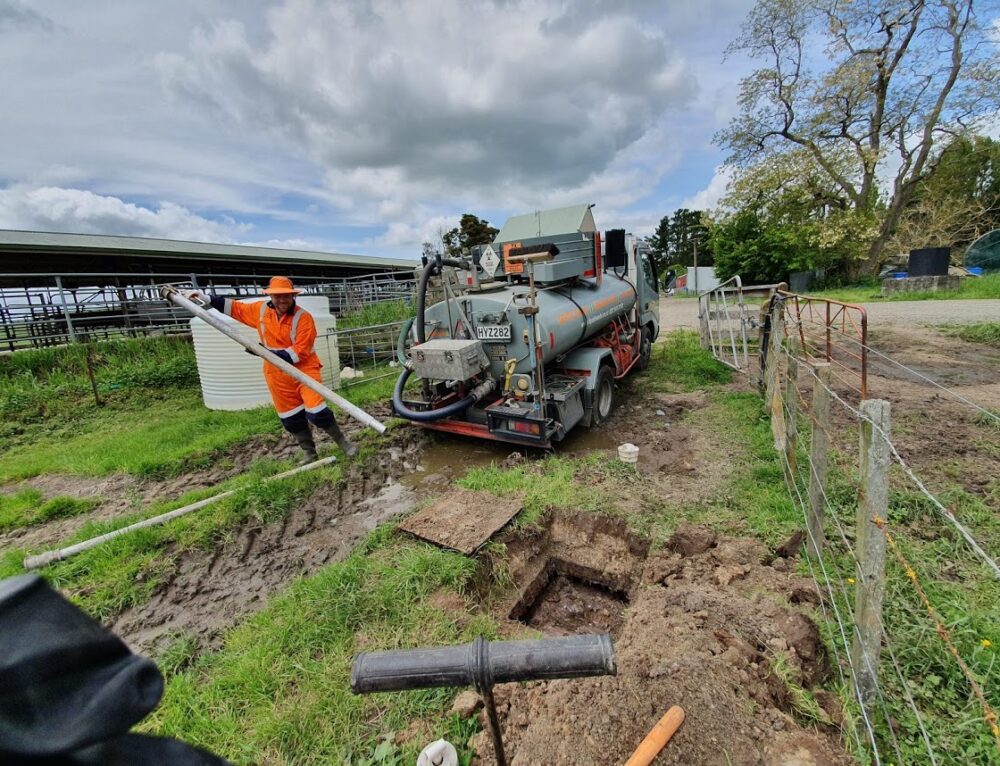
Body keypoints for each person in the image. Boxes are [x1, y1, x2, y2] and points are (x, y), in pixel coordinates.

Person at [187, 276, 357, 461]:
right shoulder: (260, 311)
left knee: (317, 412)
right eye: (277, 296)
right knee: (291, 419)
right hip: (276, 375)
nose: (282, 300)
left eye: (286, 296)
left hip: (304, 370)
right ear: (271, 296)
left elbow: (299, 352)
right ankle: (309, 453)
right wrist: (204, 297)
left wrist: (265, 352)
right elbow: (234, 308)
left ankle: (344, 444)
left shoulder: (303, 318)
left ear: (293, 296)